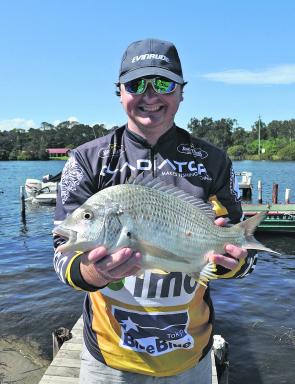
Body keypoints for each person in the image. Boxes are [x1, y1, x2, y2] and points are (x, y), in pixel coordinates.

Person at [53, 38, 256, 384]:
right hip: (108, 360)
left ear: (181, 92)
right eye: (136, 84)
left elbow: (247, 257)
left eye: (163, 83)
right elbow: (59, 252)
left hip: (190, 355)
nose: (150, 96)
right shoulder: (87, 160)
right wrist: (93, 273)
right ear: (119, 91)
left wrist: (232, 263)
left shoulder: (215, 162)